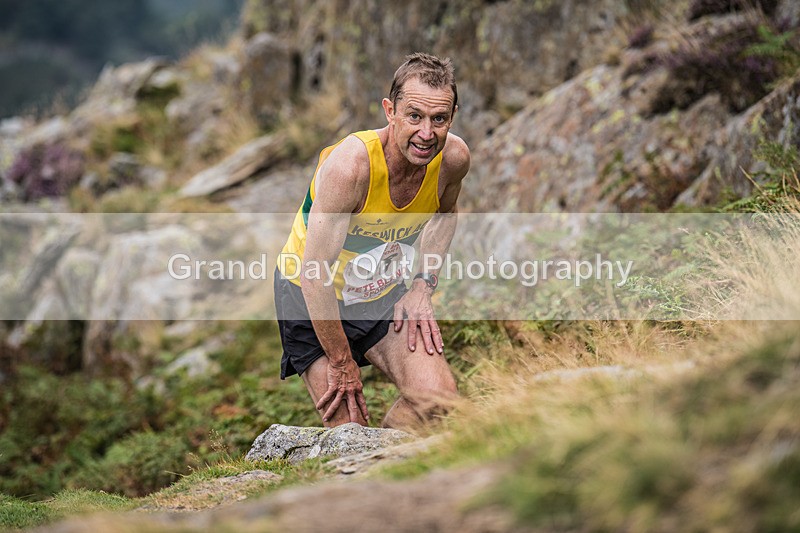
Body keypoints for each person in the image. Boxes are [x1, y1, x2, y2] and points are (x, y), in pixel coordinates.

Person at [274, 52, 471, 430]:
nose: (426, 134)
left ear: (452, 116)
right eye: (414, 116)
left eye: (439, 119)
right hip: (310, 294)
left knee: (439, 402)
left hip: (379, 289)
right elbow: (315, 274)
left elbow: (446, 215)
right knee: (349, 433)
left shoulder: (454, 158)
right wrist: (341, 361)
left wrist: (421, 287)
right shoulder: (351, 168)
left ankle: (388, 463)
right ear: (390, 111)